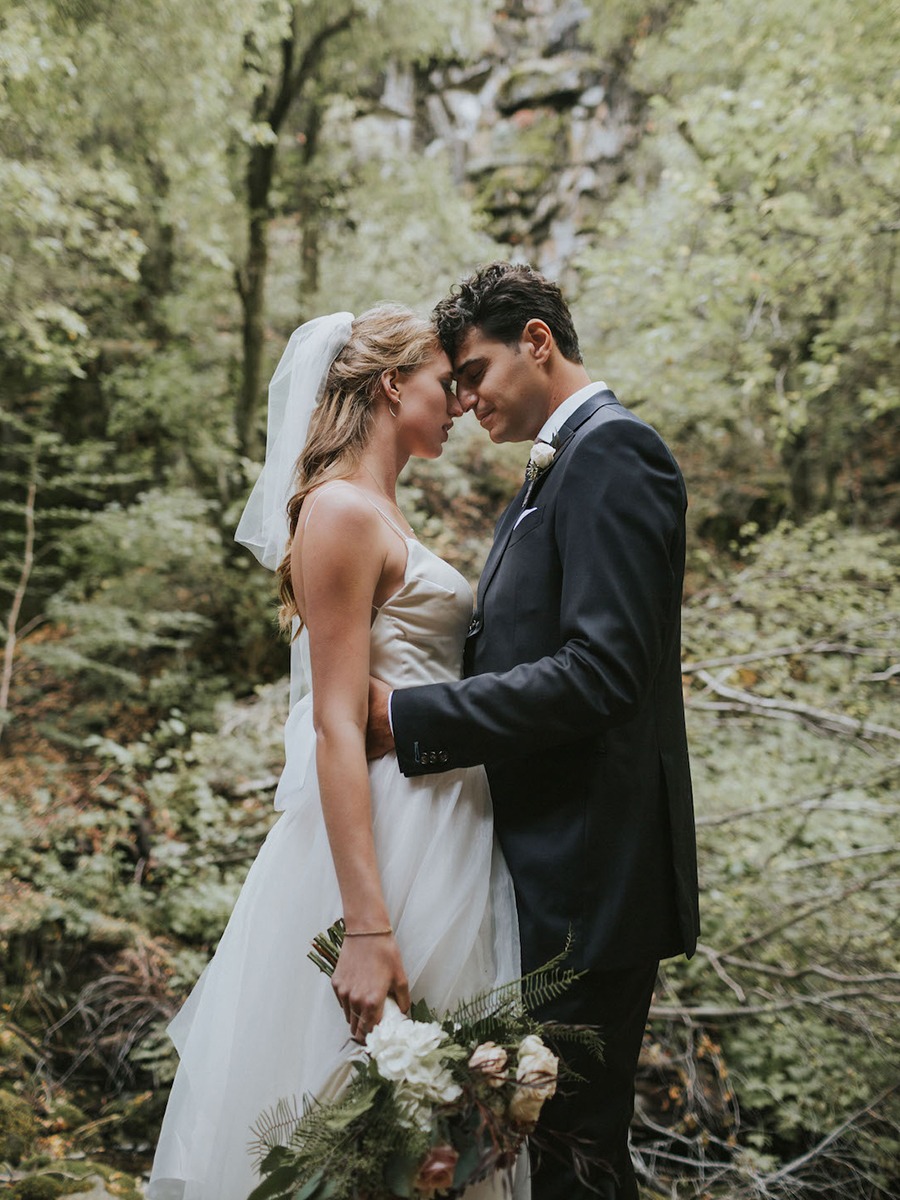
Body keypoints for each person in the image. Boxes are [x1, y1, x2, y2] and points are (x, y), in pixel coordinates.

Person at [147, 306, 524, 1200]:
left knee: (429, 1131)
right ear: (394, 384)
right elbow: (333, 723)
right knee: (363, 1114)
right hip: (391, 838)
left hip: (447, 824)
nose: (462, 403)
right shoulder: (343, 513)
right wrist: (367, 924)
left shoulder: (380, 509)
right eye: (445, 382)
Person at [367, 263, 701, 1200]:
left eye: (474, 373)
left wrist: (410, 718)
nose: (465, 398)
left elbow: (602, 673)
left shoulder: (614, 452)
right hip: (548, 871)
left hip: (592, 880)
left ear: (539, 343)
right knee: (543, 1152)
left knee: (577, 1158)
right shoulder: (555, 468)